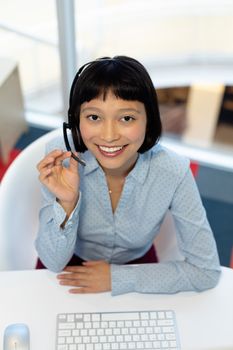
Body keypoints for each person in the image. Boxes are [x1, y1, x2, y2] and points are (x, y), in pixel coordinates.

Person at [35, 55, 221, 296]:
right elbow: (53, 261)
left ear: (149, 121)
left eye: (127, 118)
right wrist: (67, 203)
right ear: (76, 120)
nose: (109, 136)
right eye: (94, 117)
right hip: (68, 263)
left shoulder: (173, 171)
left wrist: (117, 277)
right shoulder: (62, 156)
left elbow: (206, 271)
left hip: (137, 268)